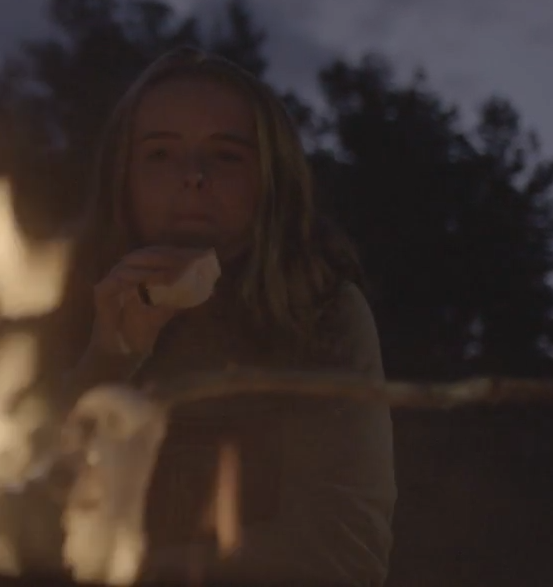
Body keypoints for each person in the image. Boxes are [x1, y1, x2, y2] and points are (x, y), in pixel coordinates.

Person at [55, 48, 395, 585]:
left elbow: (342, 549)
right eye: (160, 154)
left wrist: (132, 569)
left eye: (227, 156)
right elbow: (2, 514)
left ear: (270, 178)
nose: (192, 176)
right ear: (124, 176)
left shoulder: (322, 316)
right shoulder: (63, 302)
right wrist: (108, 358)